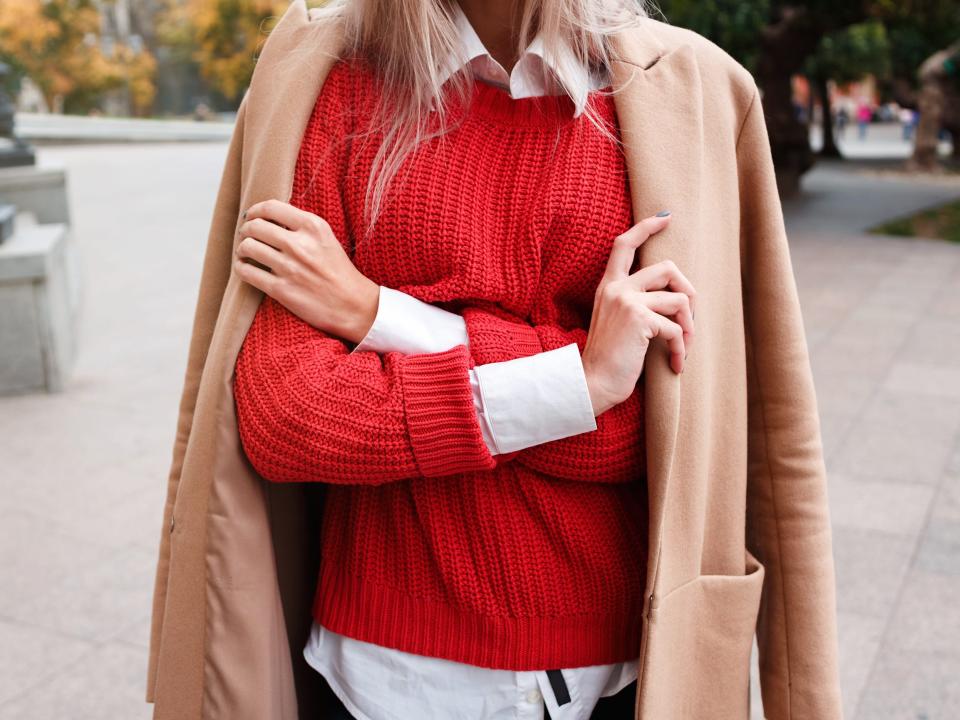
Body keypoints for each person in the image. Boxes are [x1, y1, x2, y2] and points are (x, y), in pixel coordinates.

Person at [146, 1, 844, 718]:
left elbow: (687, 426)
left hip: (624, 679)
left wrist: (374, 315)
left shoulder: (697, 89)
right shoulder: (327, 69)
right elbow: (285, 416)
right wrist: (584, 377)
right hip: (375, 679)